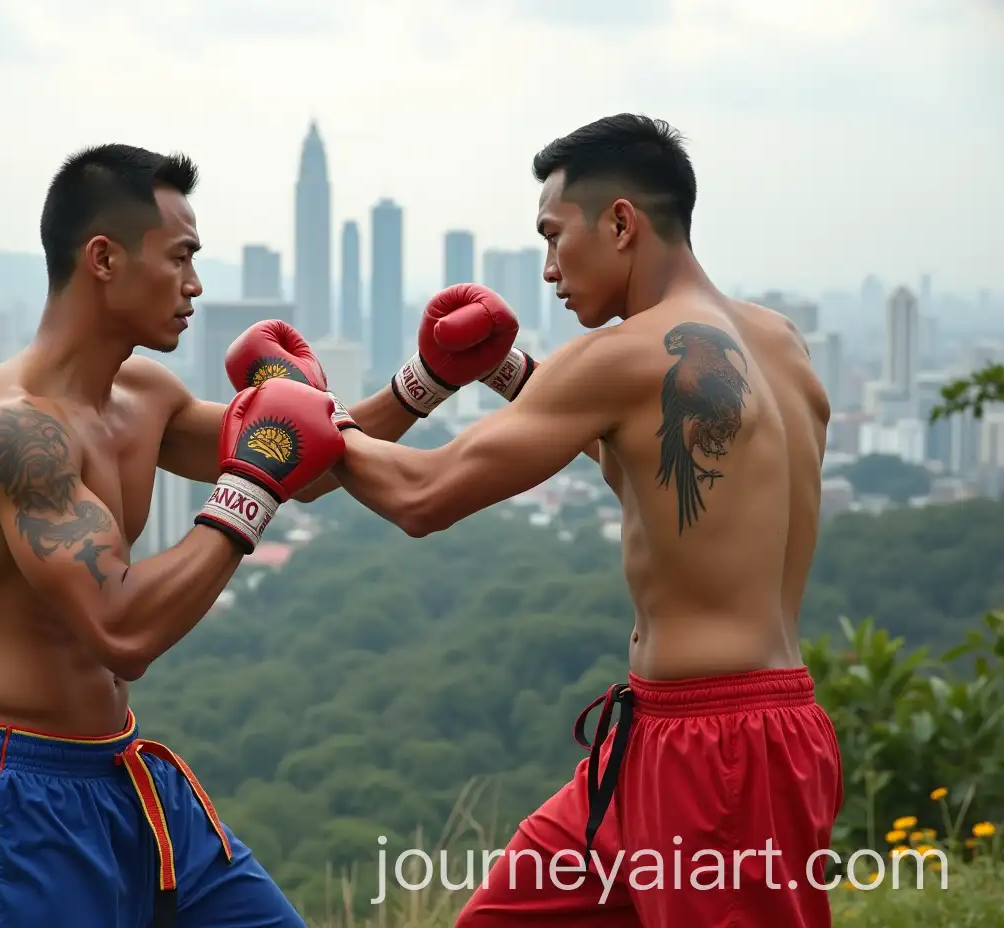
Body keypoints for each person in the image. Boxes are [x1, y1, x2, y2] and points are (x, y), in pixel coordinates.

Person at [0, 143, 521, 927]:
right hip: (20, 803)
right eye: (180, 258)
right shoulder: (10, 433)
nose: (196, 285)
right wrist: (252, 481)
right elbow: (123, 628)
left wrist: (426, 380)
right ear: (103, 259)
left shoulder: (142, 396)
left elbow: (296, 461)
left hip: (130, 776)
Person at [326, 114, 844, 927]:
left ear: (621, 223)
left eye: (552, 236)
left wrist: (307, 422)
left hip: (721, 751)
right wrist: (514, 376)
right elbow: (660, 484)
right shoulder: (780, 344)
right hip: (664, 738)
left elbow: (422, 497)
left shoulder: (622, 356)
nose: (546, 268)